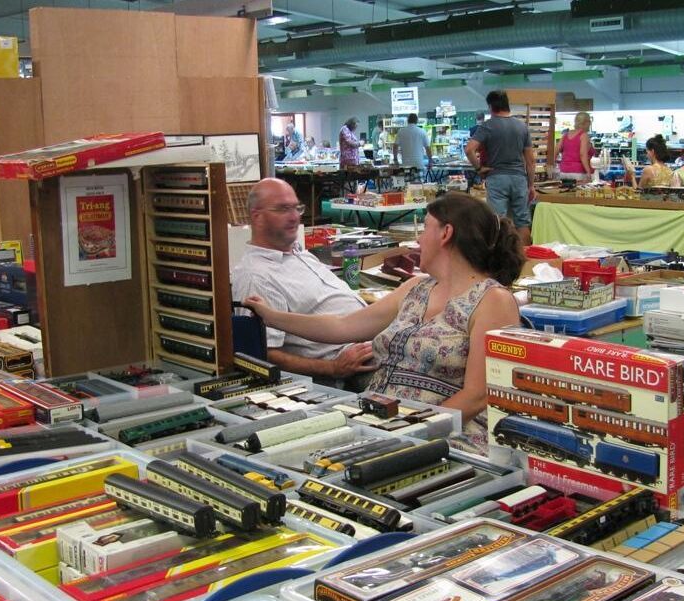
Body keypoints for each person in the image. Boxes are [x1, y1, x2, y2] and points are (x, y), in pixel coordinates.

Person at [243, 192, 523, 446]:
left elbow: (477, 395)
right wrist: (273, 317)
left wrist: (414, 431)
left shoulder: (492, 301)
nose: (419, 238)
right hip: (378, 422)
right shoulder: (417, 288)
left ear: (446, 233)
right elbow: (342, 326)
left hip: (444, 437)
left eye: (425, 227)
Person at [231, 178, 376, 387]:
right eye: (282, 209)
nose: (294, 217)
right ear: (257, 217)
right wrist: (333, 368)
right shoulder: (257, 276)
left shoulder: (298, 252)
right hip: (355, 364)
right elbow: (266, 353)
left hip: (371, 338)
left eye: (296, 208)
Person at [465, 90, 536, 246]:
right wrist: (530, 185)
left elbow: (469, 149)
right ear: (507, 105)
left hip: (497, 178)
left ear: (490, 106)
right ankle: (525, 260)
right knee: (522, 222)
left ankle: (503, 258)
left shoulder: (487, 126)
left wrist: (478, 169)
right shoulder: (521, 127)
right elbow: (530, 160)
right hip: (519, 179)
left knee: (498, 221)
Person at [553, 112, 594, 182]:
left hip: (563, 172)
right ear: (586, 122)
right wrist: (588, 172)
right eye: (589, 121)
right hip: (578, 173)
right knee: (580, 193)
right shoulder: (583, 135)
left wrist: (553, 166)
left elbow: (555, 151)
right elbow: (582, 154)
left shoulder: (565, 135)